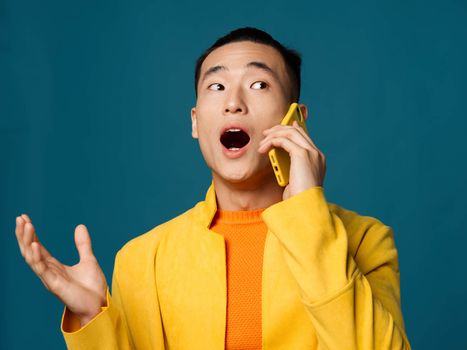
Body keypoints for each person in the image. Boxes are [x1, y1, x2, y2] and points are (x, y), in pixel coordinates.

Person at [15, 27, 411, 349]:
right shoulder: (141, 261)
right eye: (216, 87)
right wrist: (92, 321)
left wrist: (309, 214)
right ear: (194, 122)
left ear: (297, 120)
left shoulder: (365, 243)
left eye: (258, 85)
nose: (233, 103)